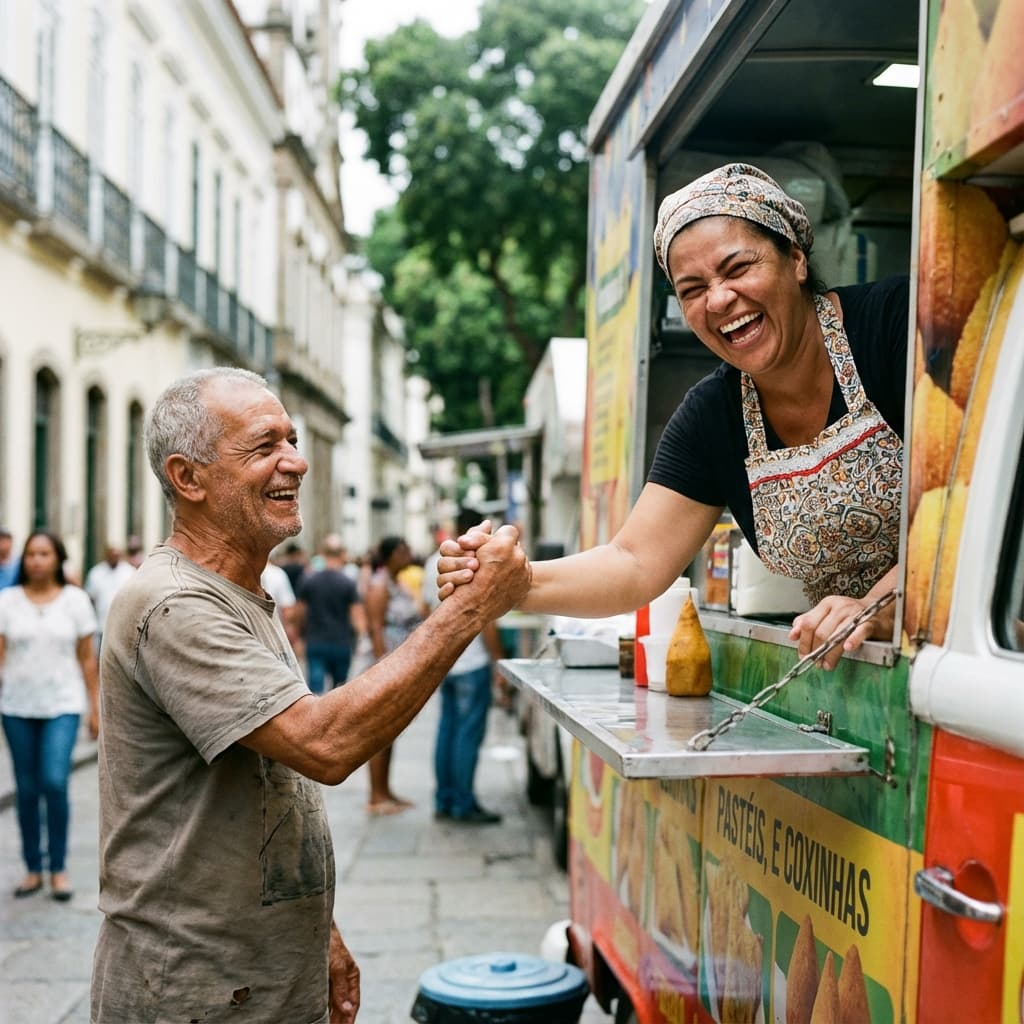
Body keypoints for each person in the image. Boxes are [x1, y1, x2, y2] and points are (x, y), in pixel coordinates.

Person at [90, 367, 529, 1024]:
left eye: (292, 440)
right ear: (189, 478)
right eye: (264, 447)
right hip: (193, 989)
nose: (295, 462)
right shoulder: (175, 606)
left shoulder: (242, 593)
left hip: (254, 976)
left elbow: (269, 787)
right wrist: (469, 610)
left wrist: (314, 932)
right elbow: (324, 744)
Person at [439, 163, 907, 671]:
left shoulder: (895, 324)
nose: (720, 299)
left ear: (795, 258)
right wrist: (518, 583)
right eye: (692, 289)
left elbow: (970, 494)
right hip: (851, 668)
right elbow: (634, 562)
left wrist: (878, 605)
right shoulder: (713, 416)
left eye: (736, 268)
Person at [0, 530, 99, 902]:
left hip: (63, 703)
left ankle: (58, 867)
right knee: (26, 790)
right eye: (31, 554)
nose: (37, 560)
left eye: (44, 554)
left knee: (54, 782)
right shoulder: (7, 601)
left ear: (57, 558)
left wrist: (95, 707)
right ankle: (32, 868)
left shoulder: (75, 601)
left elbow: (87, 658)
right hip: (16, 706)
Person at [423, 508, 508, 824]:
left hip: (444, 661)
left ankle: (444, 798)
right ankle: (462, 803)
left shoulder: (434, 559)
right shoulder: (477, 561)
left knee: (448, 729)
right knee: (467, 733)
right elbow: (486, 620)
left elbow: (425, 610)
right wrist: (499, 661)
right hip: (471, 661)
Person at [364, 535, 424, 815]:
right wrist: (383, 669)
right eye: (402, 551)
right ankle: (376, 796)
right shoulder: (379, 587)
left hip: (396, 664)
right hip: (382, 665)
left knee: (389, 732)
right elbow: (375, 628)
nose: (408, 554)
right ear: (389, 556)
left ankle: (386, 791)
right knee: (376, 733)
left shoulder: (398, 583)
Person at [297, 534, 366, 694]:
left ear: (322, 554)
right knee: (338, 690)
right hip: (341, 643)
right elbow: (357, 618)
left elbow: (299, 613)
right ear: (342, 555)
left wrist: (300, 636)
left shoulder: (309, 581)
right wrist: (359, 640)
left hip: (315, 642)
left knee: (315, 693)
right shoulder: (347, 583)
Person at [84, 542, 136, 650]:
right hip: (101, 626)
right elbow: (90, 599)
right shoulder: (96, 573)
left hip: (122, 627)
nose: (114, 558)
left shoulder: (129, 572)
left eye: (117, 555)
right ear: (106, 555)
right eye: (112, 555)